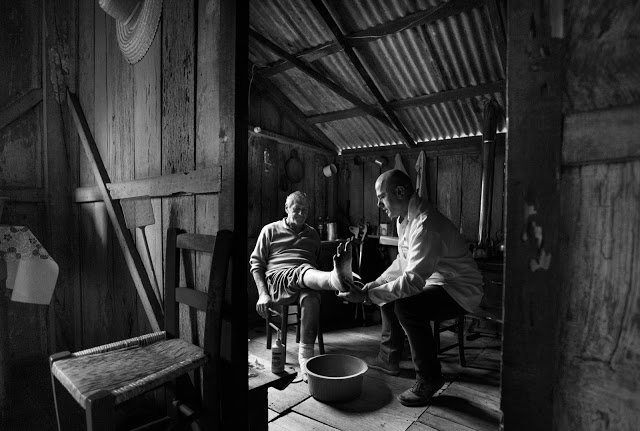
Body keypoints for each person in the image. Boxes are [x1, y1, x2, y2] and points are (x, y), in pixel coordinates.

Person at [339, 169, 484, 406]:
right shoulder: (404, 220)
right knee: (389, 298)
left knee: (407, 307)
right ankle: (389, 358)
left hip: (461, 289)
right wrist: (374, 285)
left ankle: (430, 379)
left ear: (399, 191)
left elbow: (412, 281)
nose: (378, 204)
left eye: (381, 197)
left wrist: (367, 297)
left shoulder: (426, 224)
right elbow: (403, 262)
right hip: (437, 281)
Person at [250, 191, 355, 379]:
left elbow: (314, 262)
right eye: (296, 210)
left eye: (304, 211)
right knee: (303, 270)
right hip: (279, 281)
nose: (300, 214)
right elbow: (256, 265)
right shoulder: (270, 230)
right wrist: (262, 294)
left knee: (312, 297)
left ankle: (305, 360)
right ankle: (334, 280)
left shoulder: (313, 234)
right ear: (286, 209)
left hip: (305, 281)